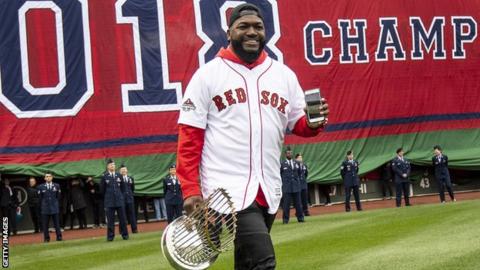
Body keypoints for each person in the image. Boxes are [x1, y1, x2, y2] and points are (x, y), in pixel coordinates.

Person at [176, 3, 329, 269]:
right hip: (225, 190)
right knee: (262, 262)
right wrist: (191, 190)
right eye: (243, 26)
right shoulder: (207, 76)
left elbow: (299, 124)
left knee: (248, 264)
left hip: (268, 188)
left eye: (258, 27)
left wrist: (315, 122)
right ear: (229, 33)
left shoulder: (283, 75)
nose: (251, 32)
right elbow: (189, 138)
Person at [100, 159, 129, 241]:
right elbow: (102, 190)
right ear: (108, 166)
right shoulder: (104, 176)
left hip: (119, 201)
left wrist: (121, 197)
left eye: (114, 164)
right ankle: (110, 236)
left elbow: (123, 188)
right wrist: (107, 198)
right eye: (111, 165)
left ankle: (125, 235)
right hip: (109, 202)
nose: (113, 166)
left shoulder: (119, 175)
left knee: (123, 219)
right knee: (110, 221)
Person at [280, 148, 304, 224]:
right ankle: (285, 220)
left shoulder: (296, 162)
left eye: (290, 153)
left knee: (298, 204)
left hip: (296, 187)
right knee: (286, 205)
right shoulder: (282, 164)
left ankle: (300, 218)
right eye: (288, 153)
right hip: (287, 187)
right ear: (285, 154)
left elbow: (300, 173)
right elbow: (279, 174)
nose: (289, 154)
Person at [38, 172, 62, 242]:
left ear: (52, 177)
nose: (48, 178)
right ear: (45, 178)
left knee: (57, 224)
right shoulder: (40, 187)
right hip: (45, 208)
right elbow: (40, 198)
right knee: (45, 225)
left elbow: (58, 197)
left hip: (54, 207)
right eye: (47, 176)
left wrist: (56, 204)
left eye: (49, 176)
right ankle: (46, 238)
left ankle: (59, 237)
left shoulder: (57, 186)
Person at [120, 164, 138, 233]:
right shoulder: (119, 178)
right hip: (122, 199)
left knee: (132, 214)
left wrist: (130, 195)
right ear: (120, 171)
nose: (124, 171)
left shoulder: (130, 178)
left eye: (125, 169)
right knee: (122, 215)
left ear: (127, 170)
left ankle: (134, 229)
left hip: (130, 198)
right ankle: (122, 230)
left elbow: (132, 188)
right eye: (122, 170)